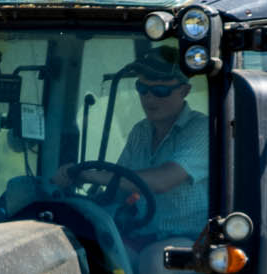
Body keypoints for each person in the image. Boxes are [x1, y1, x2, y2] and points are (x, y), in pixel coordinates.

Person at [66, 51, 208, 242]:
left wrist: (89, 174)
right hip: (142, 232)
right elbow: (121, 183)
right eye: (142, 88)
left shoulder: (201, 129)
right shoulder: (140, 131)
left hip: (191, 241)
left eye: (160, 91)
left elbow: (163, 180)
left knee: (153, 262)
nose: (149, 99)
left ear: (184, 91)